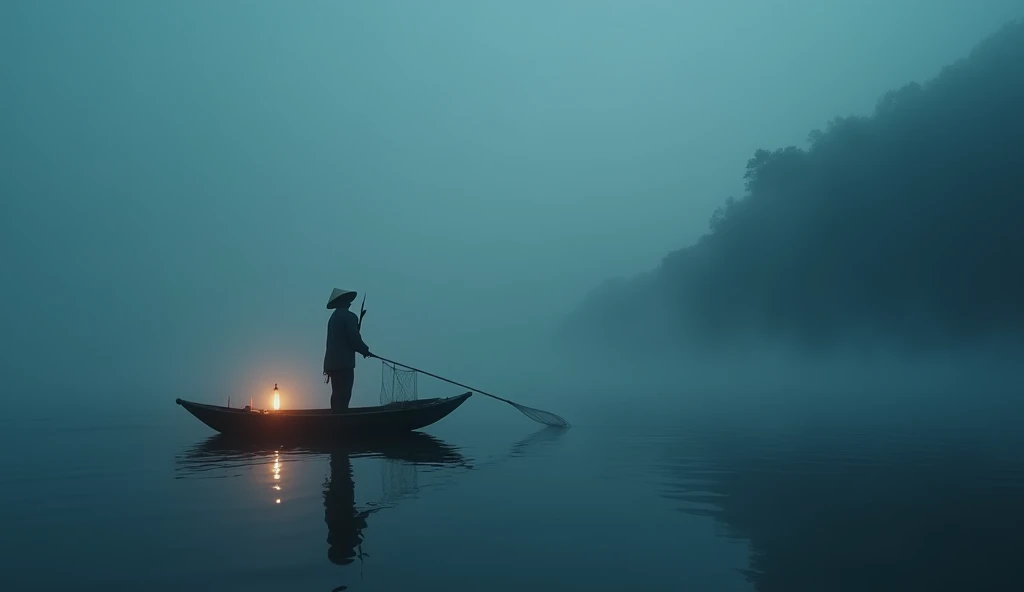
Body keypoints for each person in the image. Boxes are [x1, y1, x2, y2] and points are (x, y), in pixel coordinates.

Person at [323, 288, 372, 411]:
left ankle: (336, 418)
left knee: (336, 393)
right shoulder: (350, 317)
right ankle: (341, 420)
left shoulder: (333, 318)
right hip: (344, 364)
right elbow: (354, 339)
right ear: (343, 302)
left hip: (332, 364)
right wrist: (365, 350)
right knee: (344, 394)